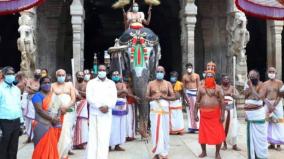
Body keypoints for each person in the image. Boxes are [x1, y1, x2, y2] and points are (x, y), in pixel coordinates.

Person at [194, 62, 225, 159]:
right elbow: (197, 102)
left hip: (215, 114)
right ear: (205, 76)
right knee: (203, 134)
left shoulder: (219, 88)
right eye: (208, 75)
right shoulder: (201, 89)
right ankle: (204, 152)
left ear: (214, 76)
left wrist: (222, 115)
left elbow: (223, 103)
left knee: (218, 134)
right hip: (204, 115)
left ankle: (217, 153)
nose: (209, 77)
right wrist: (195, 114)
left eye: (211, 75)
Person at [86, 65, 117, 159]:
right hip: (95, 113)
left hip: (106, 114)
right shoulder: (91, 83)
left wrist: (107, 106)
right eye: (100, 70)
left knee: (104, 137)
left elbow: (114, 98)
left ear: (106, 71)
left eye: (103, 70)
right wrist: (99, 106)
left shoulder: (111, 83)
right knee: (93, 138)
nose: (102, 71)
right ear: (97, 71)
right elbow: (89, 97)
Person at [146, 66, 175, 159]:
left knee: (165, 131)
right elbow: (146, 97)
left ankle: (164, 153)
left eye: (161, 71)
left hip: (164, 111)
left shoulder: (168, 84)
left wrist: (163, 97)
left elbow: (173, 97)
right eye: (158, 71)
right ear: (155, 72)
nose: (159, 73)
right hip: (155, 111)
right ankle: (157, 153)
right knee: (155, 131)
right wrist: (153, 98)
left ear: (164, 73)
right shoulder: (150, 83)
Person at [31, 76, 61, 159]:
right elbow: (39, 110)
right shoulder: (37, 96)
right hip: (41, 125)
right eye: (45, 83)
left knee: (52, 147)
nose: (47, 84)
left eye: (49, 83)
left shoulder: (53, 95)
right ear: (40, 84)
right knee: (40, 148)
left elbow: (58, 108)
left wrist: (58, 117)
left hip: (53, 125)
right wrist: (52, 119)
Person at [52, 69, 76, 159]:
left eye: (63, 75)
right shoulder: (52, 86)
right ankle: (57, 154)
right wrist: (59, 109)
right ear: (56, 75)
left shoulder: (69, 85)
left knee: (67, 133)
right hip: (57, 113)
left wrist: (66, 107)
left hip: (68, 112)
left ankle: (64, 155)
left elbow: (73, 99)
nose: (61, 77)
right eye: (59, 75)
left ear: (65, 75)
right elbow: (51, 100)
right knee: (58, 132)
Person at [244, 69, 268, 159]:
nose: (251, 78)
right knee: (251, 137)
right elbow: (245, 96)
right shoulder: (249, 84)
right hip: (249, 115)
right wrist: (245, 112)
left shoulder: (263, 85)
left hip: (258, 115)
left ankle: (261, 156)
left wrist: (251, 87)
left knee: (260, 137)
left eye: (253, 77)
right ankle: (252, 156)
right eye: (250, 77)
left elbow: (259, 98)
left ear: (258, 77)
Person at [0, 66, 23, 159]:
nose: (11, 76)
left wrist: (21, 122)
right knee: (3, 146)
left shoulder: (16, 90)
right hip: (4, 121)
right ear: (4, 75)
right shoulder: (0, 89)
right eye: (9, 74)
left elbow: (19, 106)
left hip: (16, 121)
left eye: (13, 74)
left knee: (14, 146)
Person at [262, 67, 284, 150]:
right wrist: (268, 104)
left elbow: (281, 95)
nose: (271, 73)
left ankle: (278, 144)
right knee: (268, 123)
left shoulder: (280, 82)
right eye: (270, 72)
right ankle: (271, 143)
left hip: (277, 104)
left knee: (279, 122)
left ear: (276, 73)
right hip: (267, 104)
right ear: (267, 73)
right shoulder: (264, 84)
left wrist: (274, 104)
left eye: (273, 72)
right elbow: (262, 96)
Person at [109, 71, 128, 151]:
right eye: (114, 75)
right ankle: (109, 145)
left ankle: (117, 145)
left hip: (122, 106)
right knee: (111, 126)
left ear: (120, 76)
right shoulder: (109, 84)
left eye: (117, 75)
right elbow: (110, 94)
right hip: (112, 107)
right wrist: (120, 92)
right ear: (111, 76)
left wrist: (117, 93)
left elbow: (125, 93)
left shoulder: (123, 84)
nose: (116, 76)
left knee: (120, 126)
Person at [220, 75, 241, 151]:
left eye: (227, 78)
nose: (226, 79)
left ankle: (234, 145)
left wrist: (231, 94)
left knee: (234, 126)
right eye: (224, 78)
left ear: (229, 80)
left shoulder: (232, 88)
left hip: (232, 110)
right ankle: (224, 144)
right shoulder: (219, 88)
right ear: (222, 80)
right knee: (223, 127)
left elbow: (238, 96)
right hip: (222, 110)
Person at [22, 69, 41, 143]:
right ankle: (29, 137)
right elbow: (27, 90)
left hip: (38, 103)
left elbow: (41, 91)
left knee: (36, 120)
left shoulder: (41, 81)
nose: (37, 74)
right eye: (36, 73)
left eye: (39, 73)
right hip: (29, 102)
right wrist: (36, 90)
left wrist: (32, 89)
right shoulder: (30, 80)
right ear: (34, 73)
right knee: (29, 121)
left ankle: (36, 137)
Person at [182, 63, 200, 133]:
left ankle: (198, 127)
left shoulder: (196, 75)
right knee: (189, 110)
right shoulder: (184, 77)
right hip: (188, 93)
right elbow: (183, 88)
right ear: (186, 69)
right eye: (188, 67)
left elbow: (198, 86)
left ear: (192, 68)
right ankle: (191, 127)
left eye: (190, 67)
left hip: (195, 93)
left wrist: (198, 95)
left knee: (197, 110)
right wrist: (185, 97)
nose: (189, 69)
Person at [73, 71, 89, 149]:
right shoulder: (74, 84)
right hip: (75, 104)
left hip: (83, 105)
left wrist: (78, 92)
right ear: (76, 76)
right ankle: (75, 143)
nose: (81, 76)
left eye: (82, 75)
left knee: (82, 124)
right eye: (79, 75)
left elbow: (87, 95)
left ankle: (82, 142)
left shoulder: (86, 84)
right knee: (75, 124)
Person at [125, 77, 138, 141]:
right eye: (126, 82)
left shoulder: (133, 88)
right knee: (128, 120)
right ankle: (128, 135)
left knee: (131, 120)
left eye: (128, 82)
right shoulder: (124, 87)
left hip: (131, 105)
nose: (127, 83)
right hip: (127, 105)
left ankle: (130, 135)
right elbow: (127, 93)